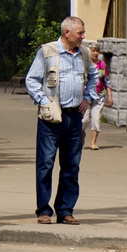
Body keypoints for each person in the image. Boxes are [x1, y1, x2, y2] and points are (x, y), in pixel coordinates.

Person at [24, 16, 101, 224]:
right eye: (80, 33)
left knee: (71, 165)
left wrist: (87, 98)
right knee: (45, 164)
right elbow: (31, 79)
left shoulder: (84, 53)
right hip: (51, 118)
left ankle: (65, 210)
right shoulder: (48, 51)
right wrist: (43, 101)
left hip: (74, 116)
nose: (83, 37)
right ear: (67, 33)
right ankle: (43, 211)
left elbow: (95, 76)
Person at [83, 41, 113, 150]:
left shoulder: (102, 65)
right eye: (93, 51)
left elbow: (106, 81)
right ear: (89, 52)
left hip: (99, 95)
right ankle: (81, 137)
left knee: (96, 119)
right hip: (85, 96)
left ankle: (93, 142)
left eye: (97, 51)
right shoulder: (85, 64)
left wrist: (110, 96)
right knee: (84, 120)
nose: (96, 53)